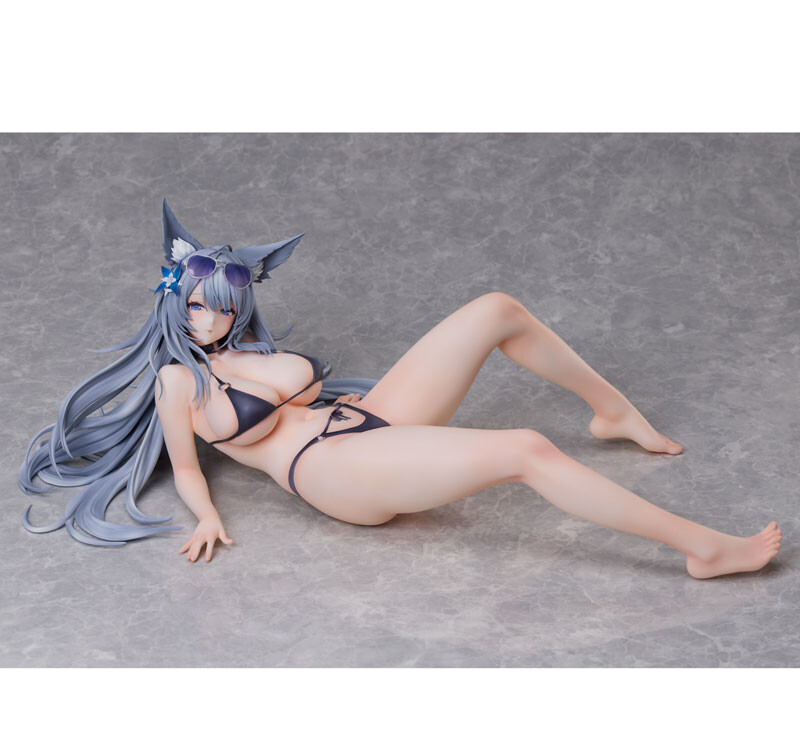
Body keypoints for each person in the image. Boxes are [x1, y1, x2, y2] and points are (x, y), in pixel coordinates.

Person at [19, 199, 782, 578]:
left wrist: (252, 364)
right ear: (172, 304)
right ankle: (704, 549)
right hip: (332, 473)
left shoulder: (247, 352)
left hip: (364, 419)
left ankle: (612, 412)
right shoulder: (177, 379)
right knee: (525, 449)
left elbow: (292, 382)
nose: (210, 319)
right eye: (195, 306)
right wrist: (208, 515)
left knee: (496, 309)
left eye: (223, 306)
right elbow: (189, 466)